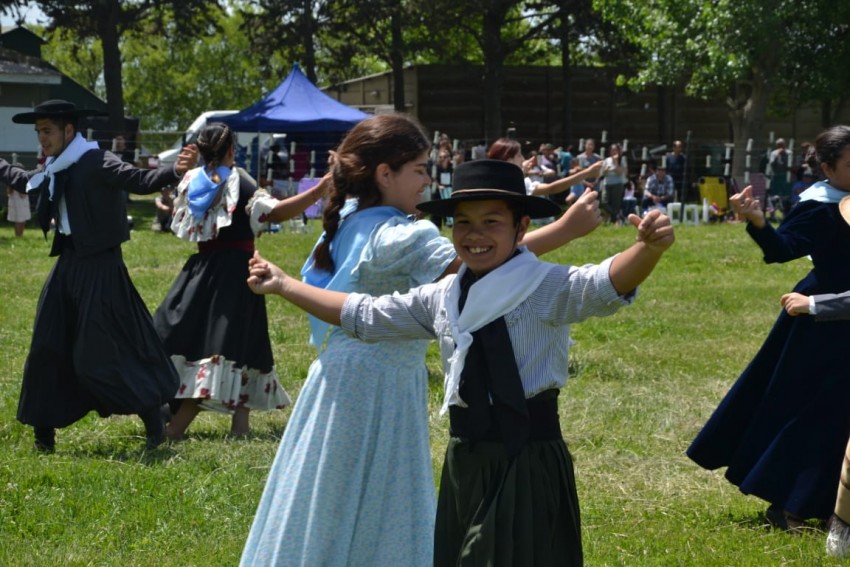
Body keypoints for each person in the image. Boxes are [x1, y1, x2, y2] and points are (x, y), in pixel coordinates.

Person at [245, 158, 675, 566]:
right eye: (463, 222)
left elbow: (603, 283)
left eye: (492, 222)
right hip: (465, 460)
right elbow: (364, 314)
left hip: (526, 456)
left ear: (521, 227)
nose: (475, 234)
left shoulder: (545, 286)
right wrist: (284, 285)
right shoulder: (443, 296)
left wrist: (648, 249)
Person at [0, 99, 197, 452]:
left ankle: (153, 416)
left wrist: (174, 171)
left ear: (69, 130)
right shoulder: (55, 166)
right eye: (38, 132)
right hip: (69, 266)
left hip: (102, 269)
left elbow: (137, 179)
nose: (41, 139)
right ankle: (43, 434)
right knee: (47, 345)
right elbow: (28, 181)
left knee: (102, 354)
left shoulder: (95, 160)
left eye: (47, 131)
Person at [686, 125, 850, 531]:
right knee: (815, 412)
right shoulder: (820, 206)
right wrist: (758, 221)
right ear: (828, 169)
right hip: (819, 323)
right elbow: (782, 251)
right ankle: (789, 503)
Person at [153, 122, 327, 440]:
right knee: (219, 346)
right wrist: (319, 189)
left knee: (235, 341)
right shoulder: (237, 180)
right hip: (236, 272)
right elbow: (274, 212)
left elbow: (175, 213)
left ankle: (239, 425)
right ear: (232, 149)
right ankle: (175, 428)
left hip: (202, 270)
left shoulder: (195, 179)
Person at [601, 143, 628, 225]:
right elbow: (602, 173)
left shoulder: (622, 160)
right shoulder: (606, 160)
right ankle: (618, 216)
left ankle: (613, 222)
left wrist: (616, 162)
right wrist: (605, 169)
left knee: (615, 204)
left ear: (618, 151)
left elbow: (620, 172)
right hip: (607, 184)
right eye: (612, 150)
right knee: (603, 202)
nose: (614, 151)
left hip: (617, 184)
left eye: (615, 150)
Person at [6, 166, 31, 236]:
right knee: (20, 221)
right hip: (20, 204)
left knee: (19, 221)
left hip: (17, 203)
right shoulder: (20, 181)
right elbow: (22, 195)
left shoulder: (11, 180)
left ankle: (19, 235)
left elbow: (8, 192)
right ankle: (19, 235)